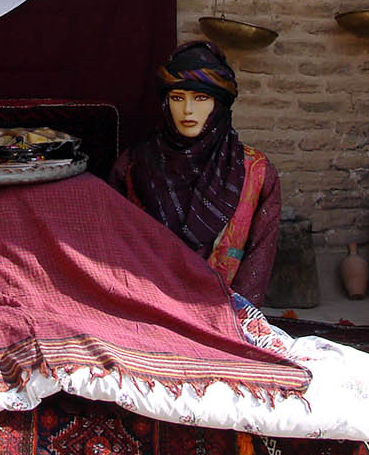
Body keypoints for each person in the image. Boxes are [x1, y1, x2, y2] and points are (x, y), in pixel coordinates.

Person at [109, 40, 282, 303]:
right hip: (149, 307)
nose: (187, 110)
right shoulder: (133, 165)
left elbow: (259, 258)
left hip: (224, 311)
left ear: (219, 105)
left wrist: (237, 319)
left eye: (201, 98)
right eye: (177, 98)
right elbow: (116, 248)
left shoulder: (256, 172)